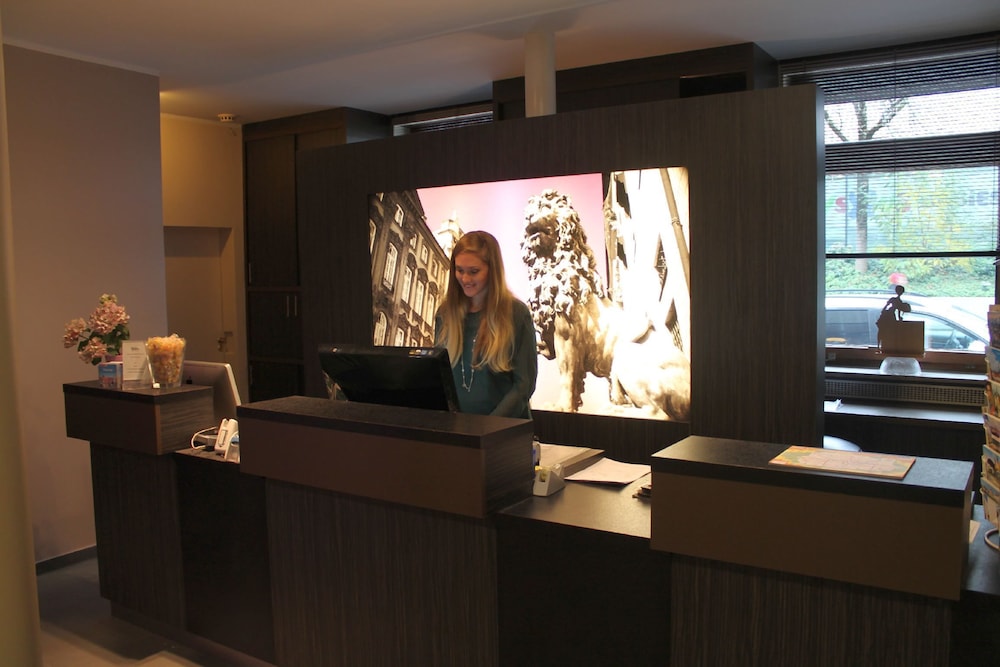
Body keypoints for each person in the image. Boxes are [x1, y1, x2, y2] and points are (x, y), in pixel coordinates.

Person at [435, 231, 537, 419]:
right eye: (459, 270)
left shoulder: (517, 314)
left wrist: (488, 427)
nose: (465, 279)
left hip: (505, 430)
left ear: (492, 271)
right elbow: (441, 380)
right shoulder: (445, 314)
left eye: (474, 272)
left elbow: (524, 385)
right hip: (458, 430)